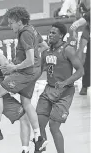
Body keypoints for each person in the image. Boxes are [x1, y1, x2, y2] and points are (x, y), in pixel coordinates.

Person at [0, 6, 48, 153]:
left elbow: (29, 61)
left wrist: (13, 68)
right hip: (34, 71)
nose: (10, 26)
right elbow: (44, 46)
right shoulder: (32, 29)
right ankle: (38, 138)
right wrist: (31, 58)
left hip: (27, 72)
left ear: (19, 21)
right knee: (26, 103)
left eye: (11, 23)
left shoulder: (25, 34)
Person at [36, 22, 84, 153]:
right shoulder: (45, 51)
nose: (50, 35)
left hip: (65, 92)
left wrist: (65, 82)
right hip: (48, 90)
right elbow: (39, 71)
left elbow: (80, 71)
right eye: (49, 32)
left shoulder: (68, 49)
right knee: (38, 124)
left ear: (61, 35)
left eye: (53, 33)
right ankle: (40, 150)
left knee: (53, 126)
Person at [70, 0, 90, 95]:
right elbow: (77, 19)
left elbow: (84, 19)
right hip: (87, 30)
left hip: (87, 27)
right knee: (85, 59)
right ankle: (84, 85)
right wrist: (74, 31)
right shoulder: (81, 5)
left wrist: (76, 24)